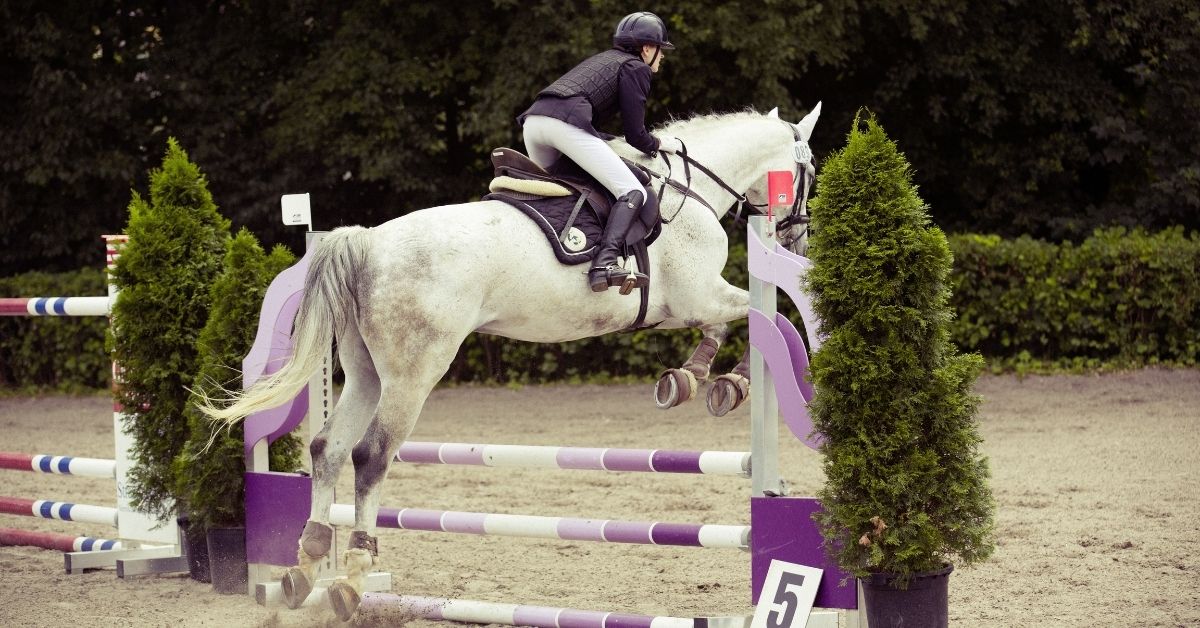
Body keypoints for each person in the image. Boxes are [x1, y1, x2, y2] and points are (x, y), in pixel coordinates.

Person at [518, 11, 683, 292]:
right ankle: (604, 263)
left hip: (534, 126)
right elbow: (636, 135)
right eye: (660, 49)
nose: (662, 56)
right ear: (647, 49)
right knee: (634, 192)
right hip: (563, 127)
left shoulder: (604, 59)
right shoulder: (636, 68)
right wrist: (664, 144)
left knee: (577, 187)